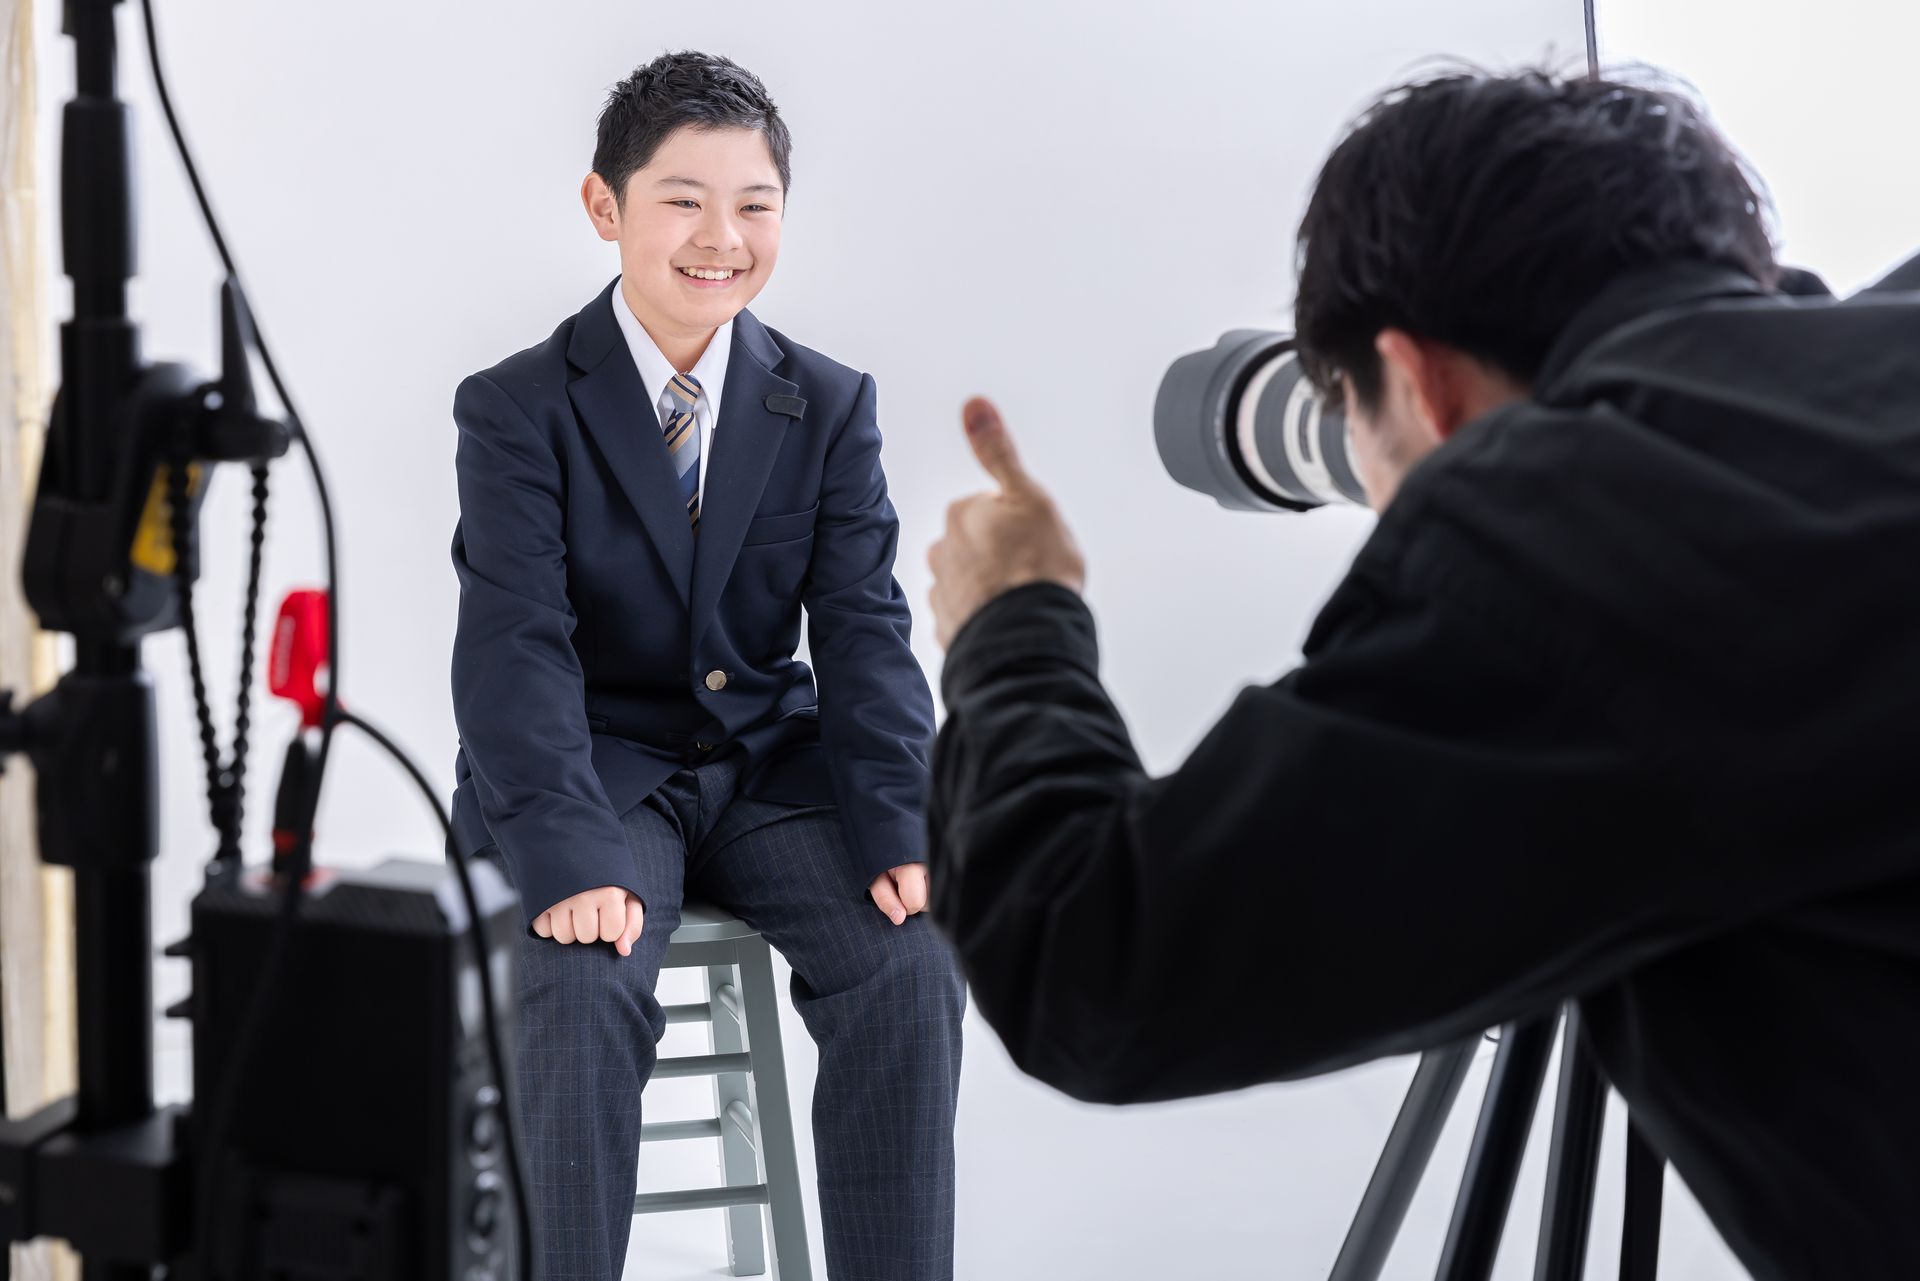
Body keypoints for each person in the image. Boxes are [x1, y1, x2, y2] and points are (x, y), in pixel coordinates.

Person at [922, 68, 1920, 1281]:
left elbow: (1083, 959)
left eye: (1357, 414)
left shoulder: (1588, 550)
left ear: (1424, 381)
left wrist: (1010, 621)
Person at [448, 51, 964, 1281]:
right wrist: (567, 853)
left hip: (767, 769)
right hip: (597, 773)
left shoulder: (830, 405)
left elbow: (865, 632)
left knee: (912, 967)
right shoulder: (516, 408)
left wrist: (907, 824)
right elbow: (515, 646)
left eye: (755, 204)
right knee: (580, 984)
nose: (720, 237)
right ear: (604, 207)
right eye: (682, 199)